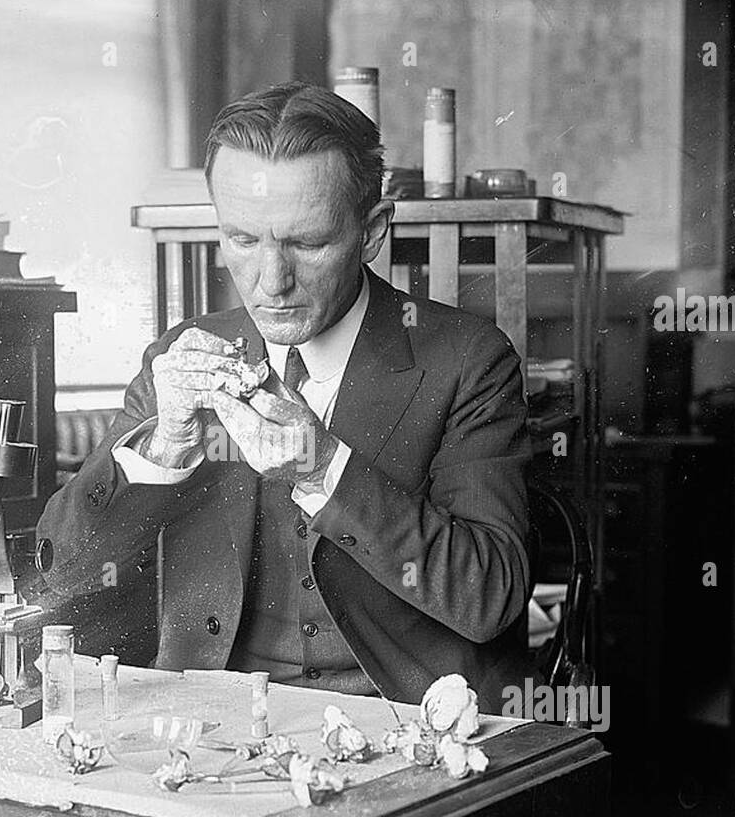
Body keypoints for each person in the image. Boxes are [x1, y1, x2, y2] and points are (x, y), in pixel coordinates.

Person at [34, 82, 530, 707]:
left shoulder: (468, 360)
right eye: (243, 240)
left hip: (403, 720)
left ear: (372, 232)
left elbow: (490, 598)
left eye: (307, 242)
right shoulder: (180, 355)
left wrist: (325, 466)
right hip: (214, 724)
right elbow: (62, 579)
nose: (272, 282)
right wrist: (162, 447)